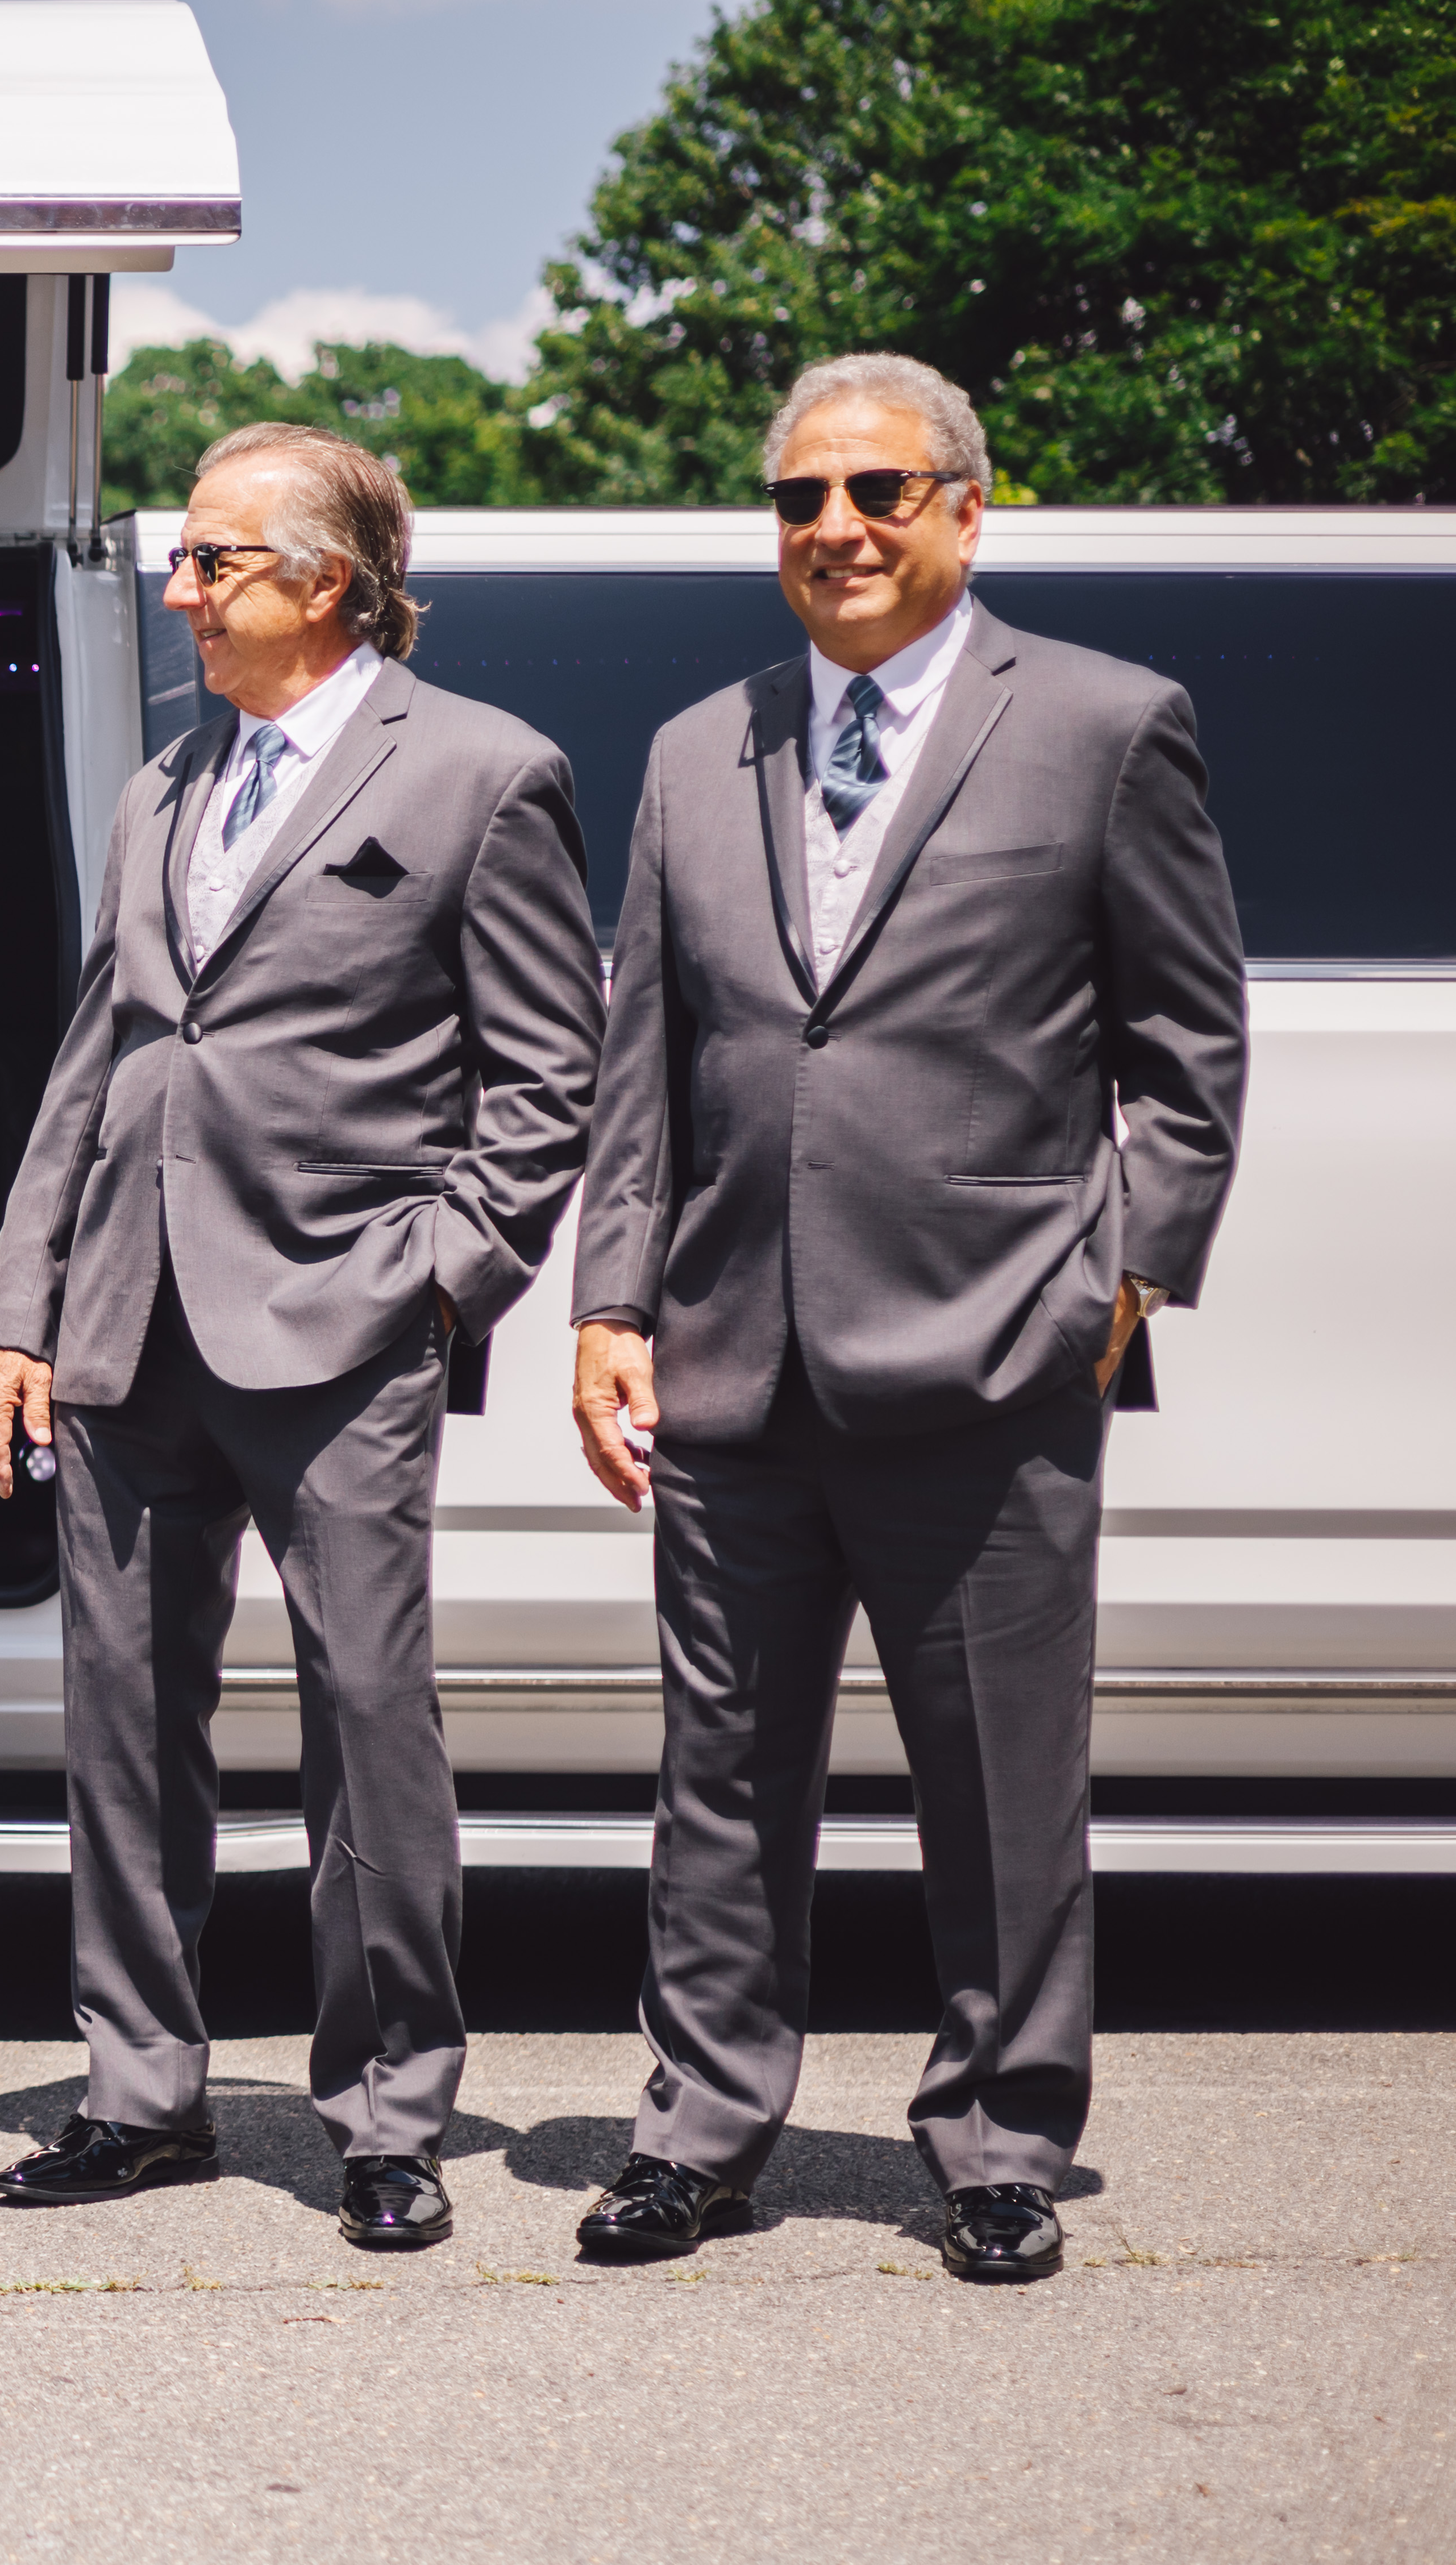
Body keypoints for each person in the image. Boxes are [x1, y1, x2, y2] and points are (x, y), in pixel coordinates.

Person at [565, 354, 1248, 2282]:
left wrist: (1122, 1281)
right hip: (730, 1357)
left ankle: (1002, 2139)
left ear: (968, 503)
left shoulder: (1112, 727)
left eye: (876, 490)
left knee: (1003, 1780)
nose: (836, 530)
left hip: (993, 1354)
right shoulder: (704, 746)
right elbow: (649, 1060)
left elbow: (1187, 1047)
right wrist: (610, 1303)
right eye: (799, 500)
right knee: (720, 1777)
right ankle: (700, 2130)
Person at [0, 423, 603, 2248]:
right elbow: (103, 1063)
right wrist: (17, 1315)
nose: (177, 592)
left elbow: (551, 1078)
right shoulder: (162, 786)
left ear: (327, 584)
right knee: (122, 1729)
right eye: (183, 558)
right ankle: (140, 2094)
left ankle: (389, 2113)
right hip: (124, 1325)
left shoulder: (486, 772)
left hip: (343, 1324)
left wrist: (439, 1281)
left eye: (211, 562)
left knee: (370, 1721)